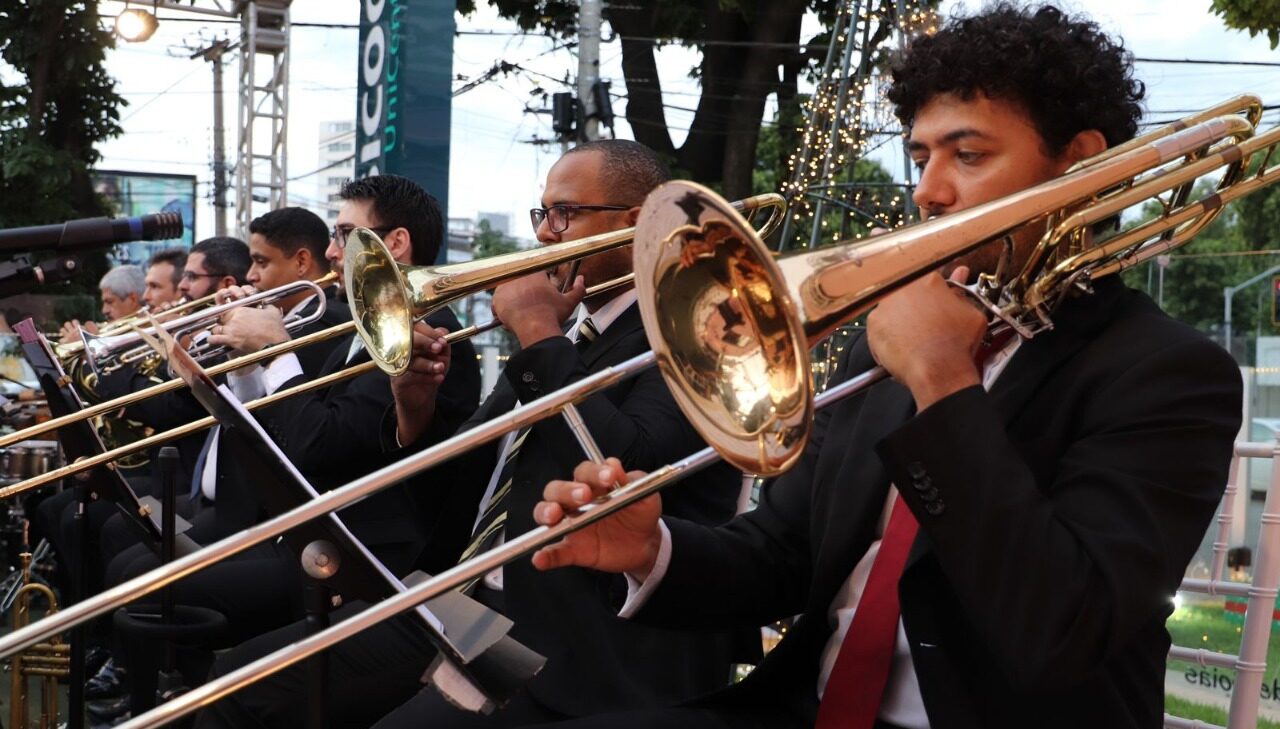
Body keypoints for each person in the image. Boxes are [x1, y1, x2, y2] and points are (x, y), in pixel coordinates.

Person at [527, 6, 1243, 729]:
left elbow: (1059, 628)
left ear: (1081, 162)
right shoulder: (889, 339)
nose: (928, 190)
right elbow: (783, 552)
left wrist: (941, 378)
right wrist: (653, 549)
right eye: (921, 156)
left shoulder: (1170, 373)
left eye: (967, 155)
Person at [193, 141, 746, 729]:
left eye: (564, 213)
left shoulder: (693, 334)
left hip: (580, 639)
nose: (544, 235)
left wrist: (537, 331)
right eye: (542, 215)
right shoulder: (569, 339)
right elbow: (458, 491)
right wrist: (415, 409)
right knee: (239, 687)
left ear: (635, 222)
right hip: (471, 603)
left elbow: (631, 465)